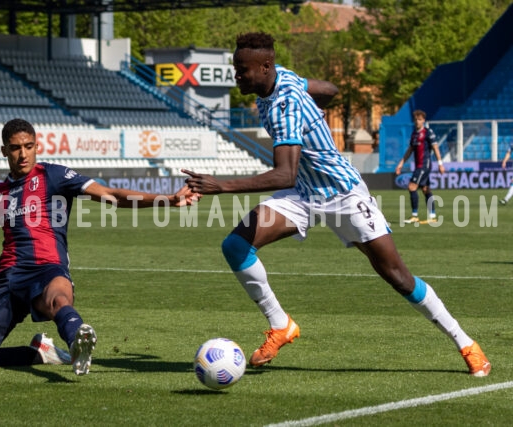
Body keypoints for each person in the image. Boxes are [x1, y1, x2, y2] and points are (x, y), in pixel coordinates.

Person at [183, 32, 490, 377]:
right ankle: (280, 324)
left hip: (343, 194)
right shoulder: (282, 77)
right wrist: (316, 115)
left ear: (265, 66)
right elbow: (330, 90)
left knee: (397, 276)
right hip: (304, 192)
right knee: (236, 246)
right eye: (235, 68)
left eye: (242, 70)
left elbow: (284, 173)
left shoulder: (285, 103)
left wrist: (219, 185)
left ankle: (466, 343)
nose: (236, 76)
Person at [0, 118, 200, 375]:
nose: (23, 154)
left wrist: (168, 199)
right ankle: (35, 353)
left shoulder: (55, 175)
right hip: (6, 279)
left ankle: (77, 337)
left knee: (58, 299)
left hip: (46, 270)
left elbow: (110, 195)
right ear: (4, 151)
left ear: (37, 146)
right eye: (15, 148)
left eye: (29, 146)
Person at [394, 110, 445, 224]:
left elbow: (435, 148)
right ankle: (432, 216)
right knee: (426, 190)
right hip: (418, 165)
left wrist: (440, 164)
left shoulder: (428, 132)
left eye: (420, 119)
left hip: (424, 165)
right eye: (416, 119)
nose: (417, 121)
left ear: (424, 120)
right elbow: (410, 150)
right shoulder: (414, 134)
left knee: (412, 187)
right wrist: (401, 163)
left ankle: (415, 215)